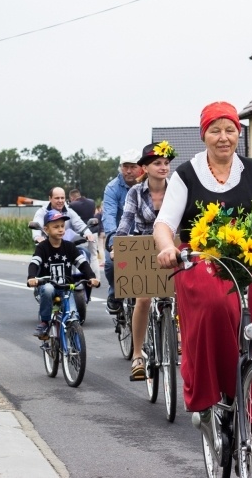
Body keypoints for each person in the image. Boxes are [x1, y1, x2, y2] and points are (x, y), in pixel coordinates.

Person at [154, 101, 252, 424]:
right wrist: (167, 248)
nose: (223, 137)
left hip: (248, 259)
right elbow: (164, 223)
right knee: (215, 304)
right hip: (201, 260)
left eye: (229, 130)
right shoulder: (186, 174)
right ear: (204, 136)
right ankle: (215, 391)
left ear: (238, 134)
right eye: (215, 130)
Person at [114, 141, 176, 381]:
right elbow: (125, 223)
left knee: (182, 293)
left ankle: (178, 338)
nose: (163, 167)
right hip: (144, 247)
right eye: (157, 163)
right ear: (145, 168)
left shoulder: (176, 189)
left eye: (166, 163)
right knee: (143, 298)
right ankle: (138, 354)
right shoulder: (135, 193)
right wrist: (117, 247)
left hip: (171, 245)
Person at [26, 210, 100, 338]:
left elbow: (82, 264)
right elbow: (34, 264)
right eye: (56, 227)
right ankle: (44, 322)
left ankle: (73, 343)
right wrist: (32, 278)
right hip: (48, 284)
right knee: (48, 289)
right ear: (46, 229)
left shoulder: (69, 247)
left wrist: (92, 277)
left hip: (66, 287)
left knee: (72, 315)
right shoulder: (42, 247)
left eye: (62, 226)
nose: (60, 229)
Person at [103, 148, 142, 313]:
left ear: (141, 167)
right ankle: (115, 293)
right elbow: (109, 216)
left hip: (144, 235)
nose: (128, 171)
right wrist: (114, 244)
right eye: (125, 166)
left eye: (133, 166)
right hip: (120, 237)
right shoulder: (112, 188)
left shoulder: (149, 184)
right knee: (112, 265)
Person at [30, 187, 95, 244]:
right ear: (50, 198)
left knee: (85, 253)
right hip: (47, 247)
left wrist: (88, 233)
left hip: (67, 247)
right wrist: (38, 237)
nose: (60, 201)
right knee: (37, 257)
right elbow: (37, 224)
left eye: (62, 198)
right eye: (57, 198)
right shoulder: (42, 212)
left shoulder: (69, 211)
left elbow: (79, 224)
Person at [68, 188, 99, 270]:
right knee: (94, 256)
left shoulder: (72, 205)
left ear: (72, 198)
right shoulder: (92, 202)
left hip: (81, 233)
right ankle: (97, 279)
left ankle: (85, 276)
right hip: (94, 231)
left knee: (82, 256)